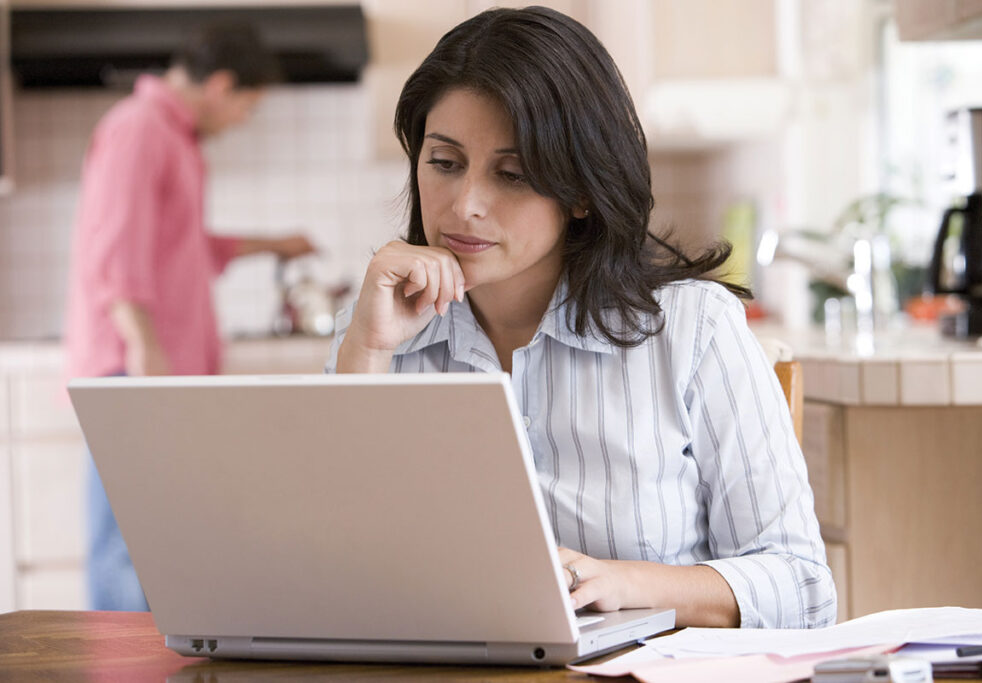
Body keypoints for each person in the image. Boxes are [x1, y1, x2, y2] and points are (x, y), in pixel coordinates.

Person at [326, 6, 836, 629]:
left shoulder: (694, 330)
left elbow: (803, 586)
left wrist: (626, 583)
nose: (466, 206)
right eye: (444, 162)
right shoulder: (380, 327)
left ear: (581, 192)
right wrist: (369, 351)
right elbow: (326, 569)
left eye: (511, 174)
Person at [65, 22, 316, 611]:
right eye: (247, 107)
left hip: (153, 368)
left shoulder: (171, 138)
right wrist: (144, 349)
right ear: (222, 85)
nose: (241, 121)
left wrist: (272, 244)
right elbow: (117, 251)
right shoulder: (139, 131)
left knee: (154, 543)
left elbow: (181, 249)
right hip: (133, 369)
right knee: (124, 545)